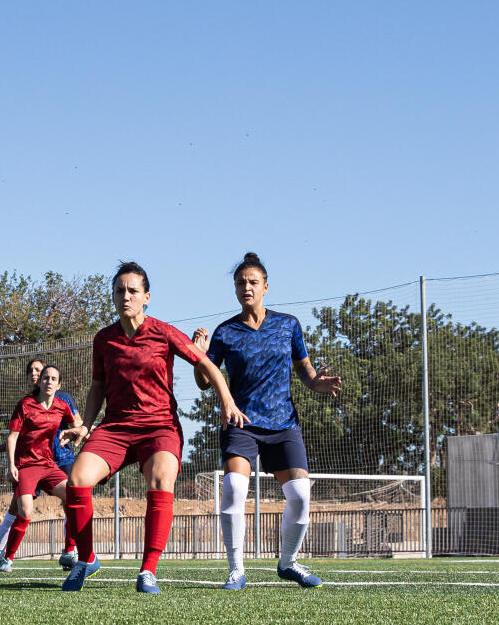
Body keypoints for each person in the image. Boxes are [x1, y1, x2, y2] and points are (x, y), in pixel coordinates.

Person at [59, 264, 241, 595]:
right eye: (119, 291)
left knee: (160, 480)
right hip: (115, 428)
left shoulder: (163, 332)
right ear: (113, 297)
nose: (125, 296)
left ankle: (148, 571)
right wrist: (85, 425)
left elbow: (207, 365)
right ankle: (86, 560)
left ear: (146, 297)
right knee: (77, 480)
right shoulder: (104, 339)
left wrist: (226, 401)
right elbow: (97, 387)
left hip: (159, 427)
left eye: (132, 291)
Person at [193, 252, 342, 590]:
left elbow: (307, 373)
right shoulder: (224, 332)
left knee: (302, 496)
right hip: (241, 423)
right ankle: (236, 569)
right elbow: (204, 383)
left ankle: (288, 563)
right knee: (233, 488)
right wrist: (199, 356)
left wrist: (319, 384)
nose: (246, 287)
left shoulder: (288, 325)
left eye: (252, 282)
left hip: (282, 423)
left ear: (265, 287)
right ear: (235, 290)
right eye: (240, 283)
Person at [0, 363, 76, 574]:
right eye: (45, 377)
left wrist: (75, 432)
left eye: (52, 378)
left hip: (50, 465)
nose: (48, 381)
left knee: (74, 495)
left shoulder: (62, 405)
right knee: (24, 511)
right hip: (27, 466)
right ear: (40, 382)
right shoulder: (25, 405)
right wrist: (12, 464)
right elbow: (13, 437)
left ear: (59, 384)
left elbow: (78, 424)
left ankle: (70, 550)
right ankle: (6, 558)